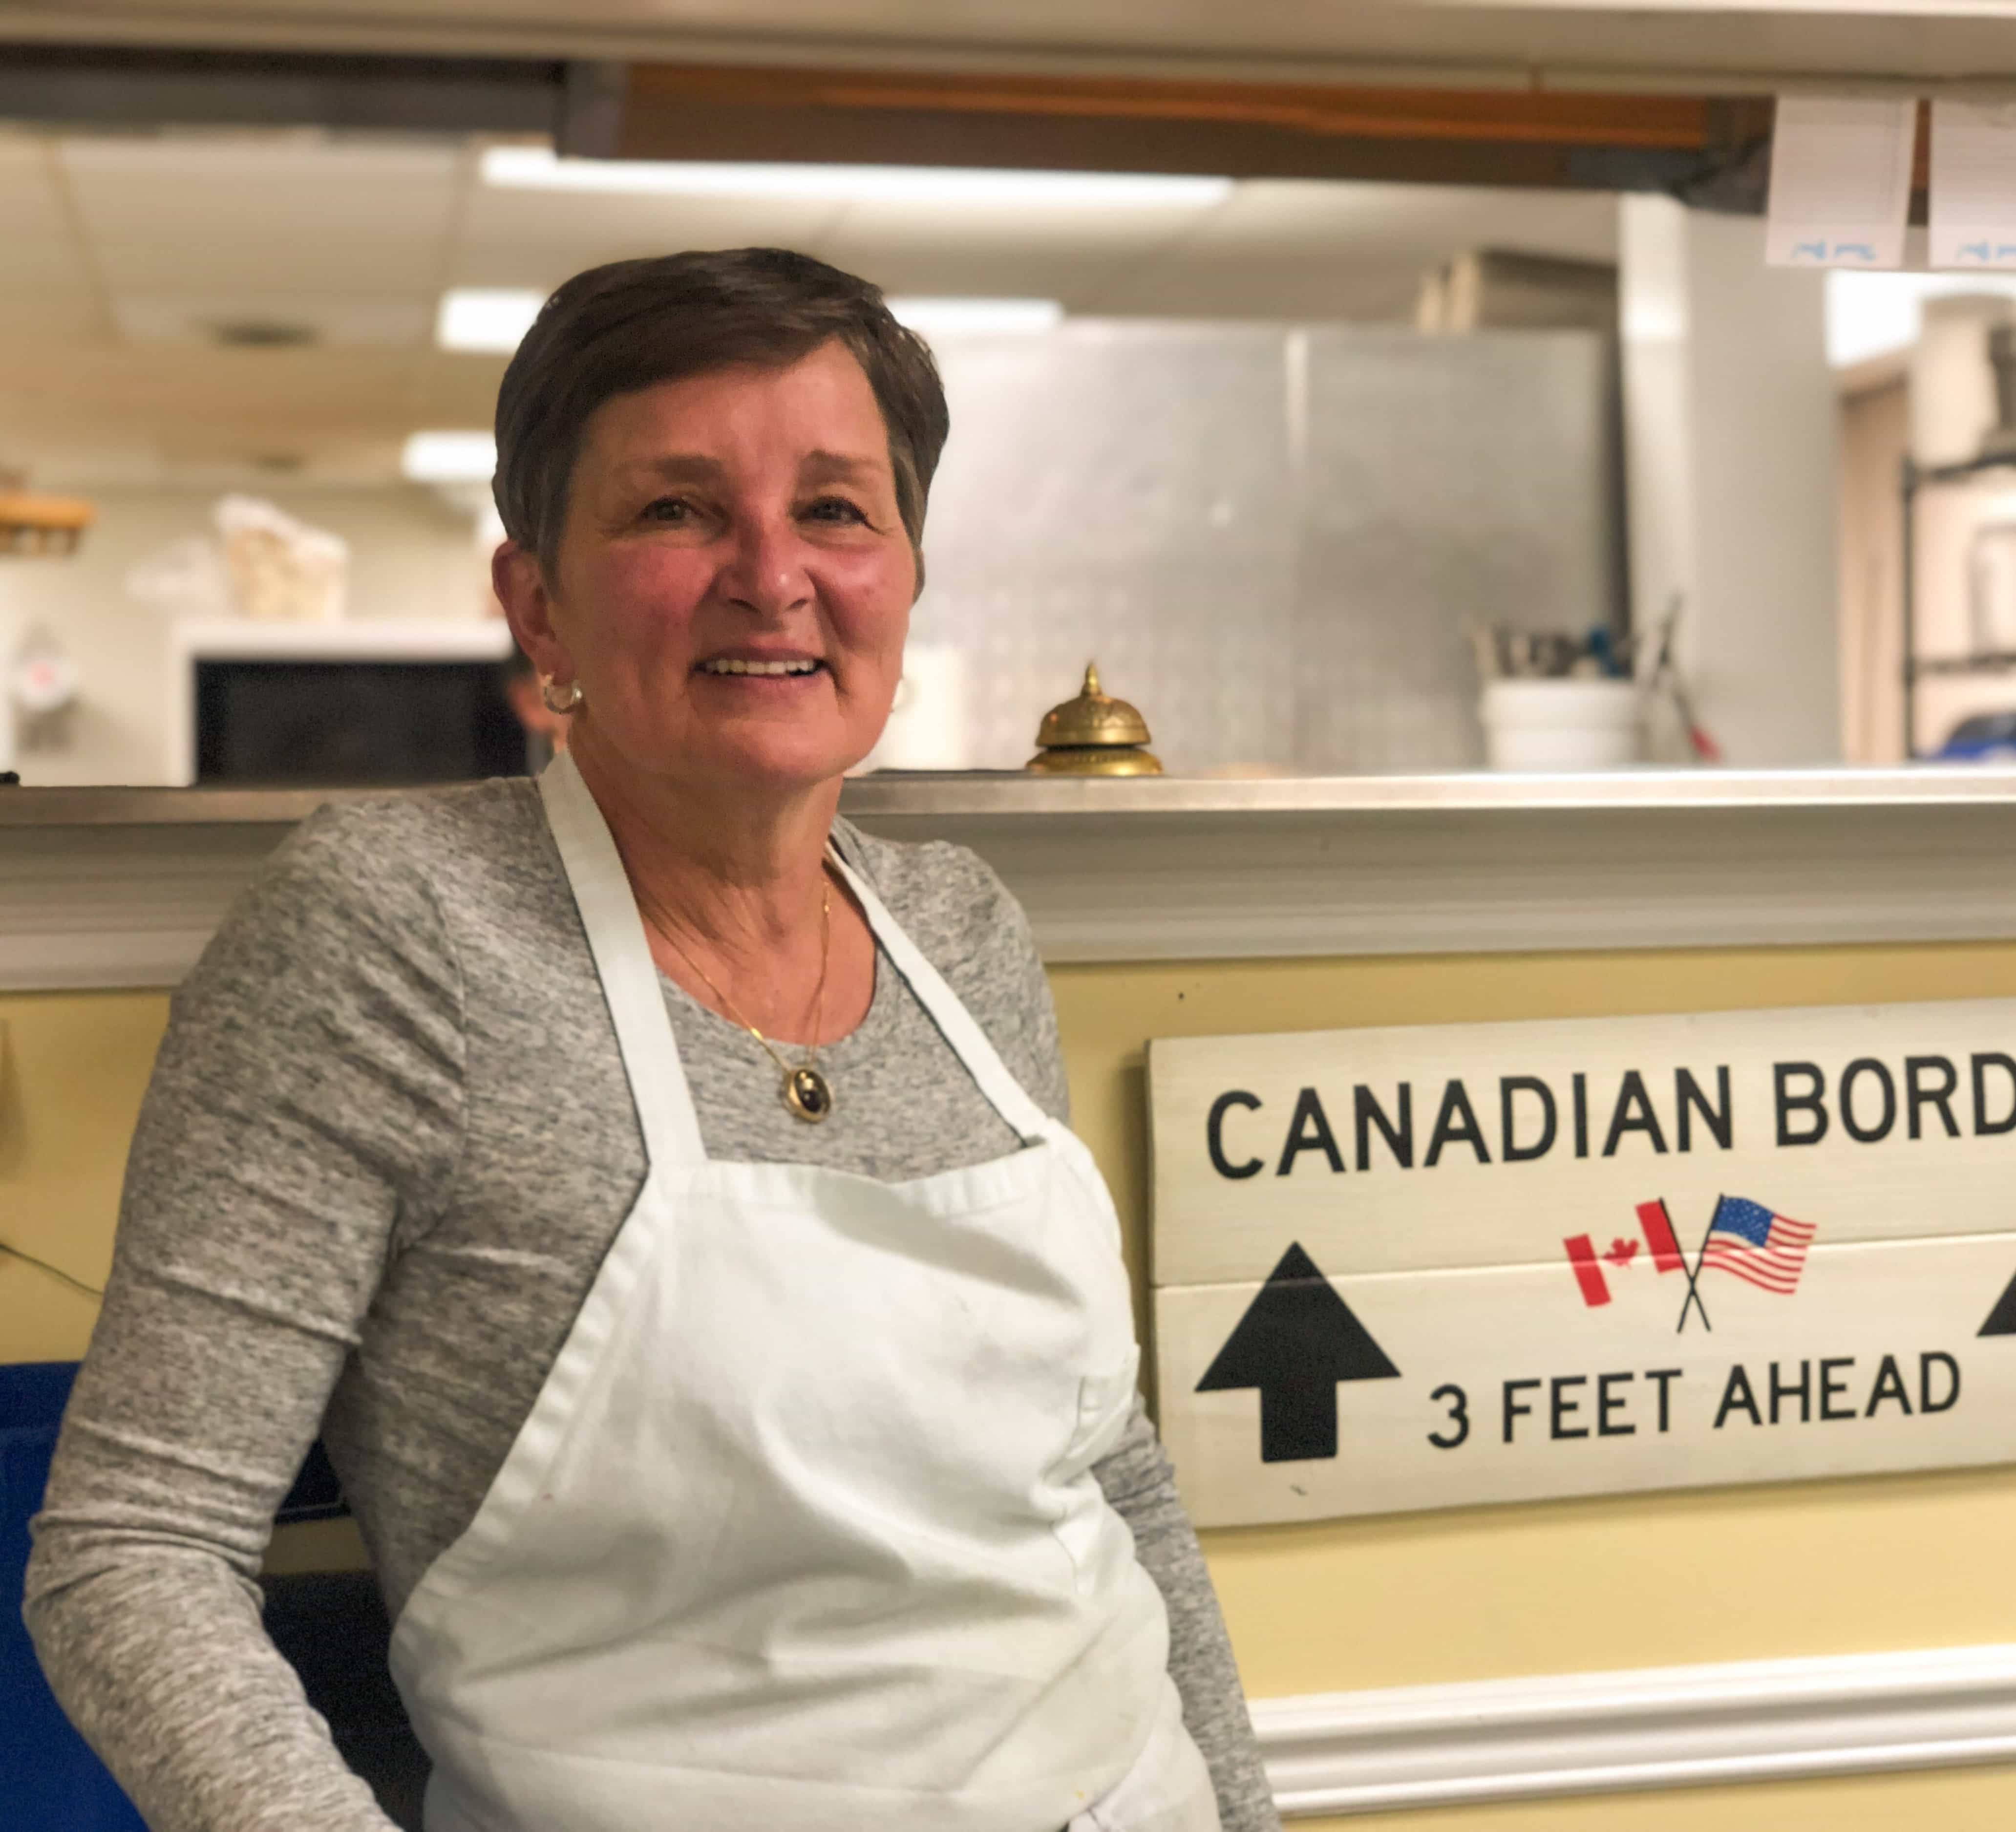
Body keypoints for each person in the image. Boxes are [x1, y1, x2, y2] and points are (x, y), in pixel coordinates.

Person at [26, 248, 1275, 1832]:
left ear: (904, 568)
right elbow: (131, 1555)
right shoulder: (393, 932)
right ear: (535, 601)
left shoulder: (962, 931)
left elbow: (1117, 1484)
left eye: (837, 507)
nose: (773, 573)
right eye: (677, 510)